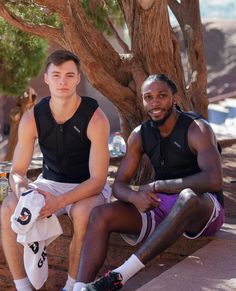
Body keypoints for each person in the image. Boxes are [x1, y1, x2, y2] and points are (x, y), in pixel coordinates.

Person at [73, 74, 225, 291]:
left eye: (162, 96)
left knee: (187, 196)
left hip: (203, 209)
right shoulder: (140, 134)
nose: (155, 102)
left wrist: (157, 186)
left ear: (174, 98)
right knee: (100, 214)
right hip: (162, 207)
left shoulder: (196, 129)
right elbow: (119, 185)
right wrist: (134, 196)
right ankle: (79, 287)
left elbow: (214, 180)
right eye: (148, 97)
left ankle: (120, 275)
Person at [0, 49, 111, 291]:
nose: (63, 81)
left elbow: (98, 179)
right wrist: (25, 194)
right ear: (47, 78)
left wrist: (58, 202)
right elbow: (17, 172)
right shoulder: (32, 118)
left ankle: (71, 286)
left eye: (70, 75)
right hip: (49, 183)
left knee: (83, 214)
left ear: (78, 79)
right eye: (57, 75)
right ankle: (23, 287)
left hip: (87, 187)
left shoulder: (96, 118)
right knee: (9, 207)